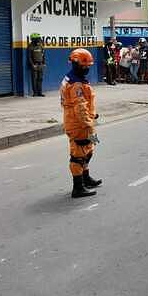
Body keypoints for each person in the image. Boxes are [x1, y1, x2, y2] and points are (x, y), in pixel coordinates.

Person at [60, 49, 103, 198]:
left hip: (86, 123)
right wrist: (89, 123)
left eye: (88, 66)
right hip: (80, 125)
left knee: (90, 149)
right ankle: (78, 187)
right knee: (78, 155)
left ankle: (86, 178)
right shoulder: (75, 84)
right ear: (76, 64)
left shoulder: (76, 79)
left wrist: (93, 116)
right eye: (85, 66)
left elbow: (86, 103)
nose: (87, 69)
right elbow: (80, 107)